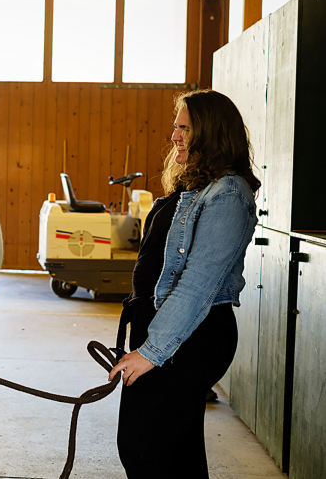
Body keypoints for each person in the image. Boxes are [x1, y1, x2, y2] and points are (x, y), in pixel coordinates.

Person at [108, 89, 260, 478]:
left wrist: (151, 351)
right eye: (176, 127)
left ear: (210, 133)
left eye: (185, 128)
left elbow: (197, 283)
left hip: (191, 336)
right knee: (177, 453)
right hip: (168, 329)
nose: (175, 136)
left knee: (144, 449)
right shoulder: (195, 186)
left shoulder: (227, 194)